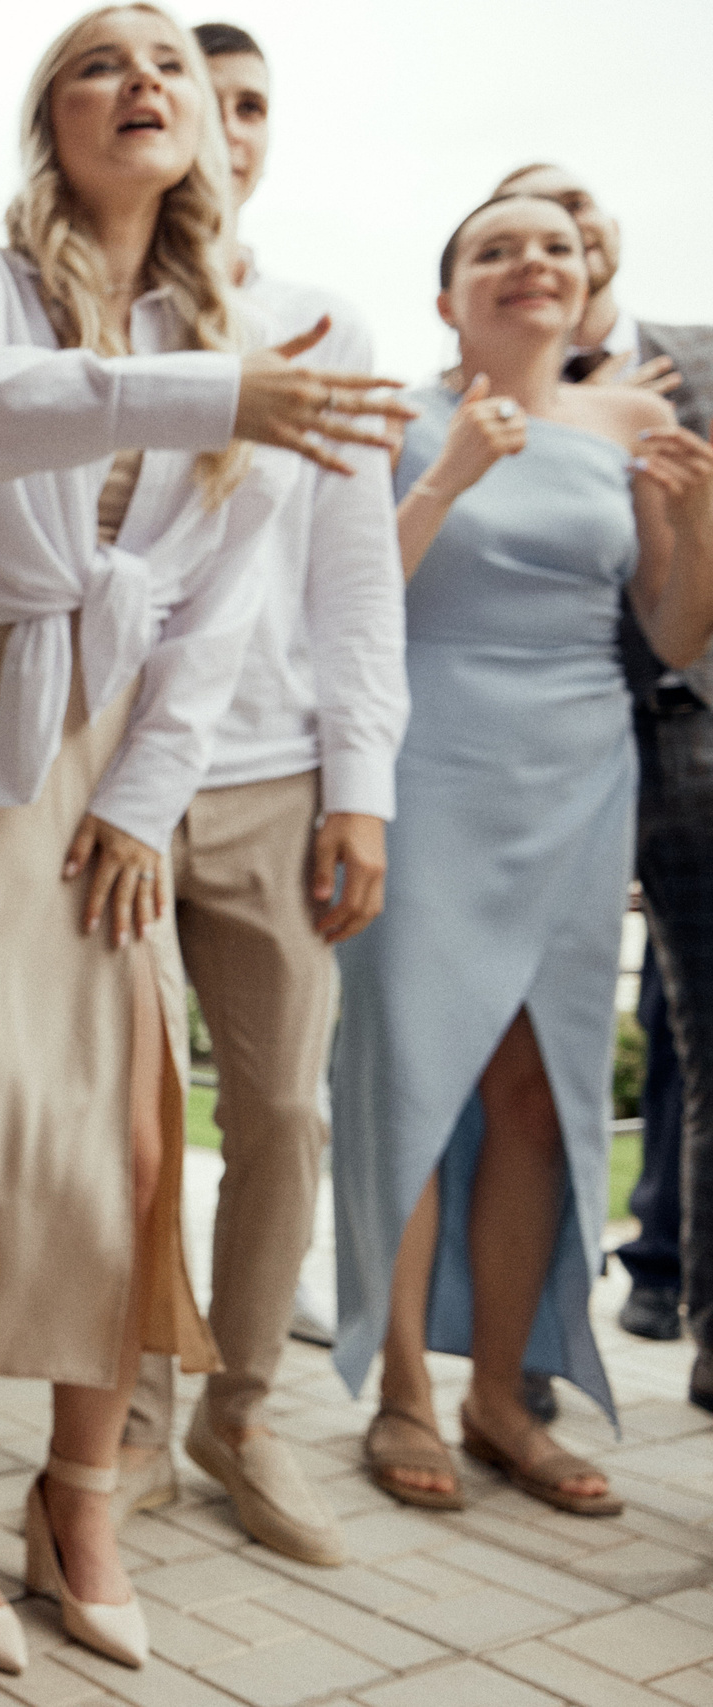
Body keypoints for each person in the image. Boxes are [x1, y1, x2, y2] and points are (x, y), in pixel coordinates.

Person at [0, 2, 407, 1676]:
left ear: (212, 132)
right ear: (47, 115)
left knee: (132, 1144)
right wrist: (219, 392)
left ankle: (78, 1494)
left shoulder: (256, 324)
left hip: (126, 744)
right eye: (97, 58)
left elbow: (219, 608)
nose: (139, 81)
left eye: (166, 63)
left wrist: (145, 797)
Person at [332, 192, 713, 1517]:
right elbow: (351, 603)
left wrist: (699, 518)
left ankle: (502, 1392)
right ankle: (400, 1393)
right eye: (493, 248)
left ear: (587, 278)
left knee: (539, 1090)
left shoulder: (636, 421)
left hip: (578, 769)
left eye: (553, 245)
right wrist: (450, 475)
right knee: (411, 1084)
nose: (528, 262)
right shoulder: (395, 415)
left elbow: (668, 634)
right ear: (450, 298)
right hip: (427, 762)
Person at [495, 164, 713, 1402]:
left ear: (606, 243)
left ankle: (697, 1318)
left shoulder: (695, 359)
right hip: (535, 745)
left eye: (572, 211)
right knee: (533, 1045)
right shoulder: (485, 394)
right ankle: (523, 1342)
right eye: (520, 220)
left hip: (690, 729)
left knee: (702, 1037)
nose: (556, 235)